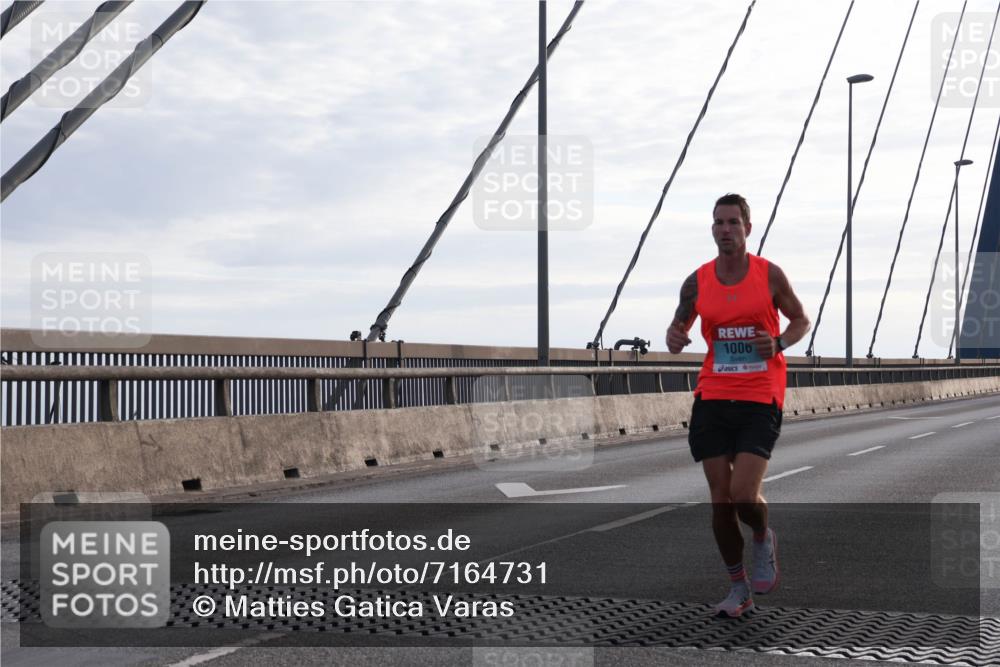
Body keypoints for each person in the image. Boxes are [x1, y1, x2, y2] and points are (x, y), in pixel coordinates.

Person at [666, 193, 811, 618]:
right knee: (720, 500)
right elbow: (678, 329)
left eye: (732, 222)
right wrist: (674, 337)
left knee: (743, 494)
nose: (724, 230)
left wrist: (780, 342)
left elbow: (801, 319)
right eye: (718, 223)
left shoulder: (769, 276)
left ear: (748, 228)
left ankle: (763, 537)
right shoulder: (697, 281)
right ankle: (738, 588)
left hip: (760, 394)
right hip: (712, 395)